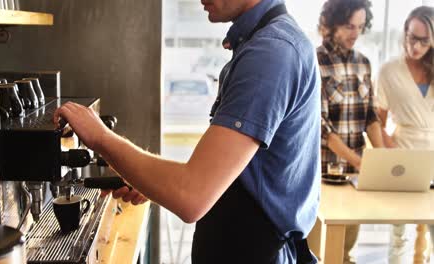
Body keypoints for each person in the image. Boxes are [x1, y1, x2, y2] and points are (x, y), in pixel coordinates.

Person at [54, 0, 321, 263]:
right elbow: (227, 171)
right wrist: (151, 181)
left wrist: (100, 138)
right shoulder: (266, 43)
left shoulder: (271, 53)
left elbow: (191, 196)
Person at [317, 0, 385, 263]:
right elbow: (322, 128)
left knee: (345, 252)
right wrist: (360, 162)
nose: (355, 33)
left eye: (359, 26)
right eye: (348, 26)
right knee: (318, 252)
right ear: (330, 25)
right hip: (325, 175)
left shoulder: (364, 63)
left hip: (356, 177)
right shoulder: (315, 61)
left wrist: (383, 161)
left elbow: (371, 117)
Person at [376, 6, 434, 264]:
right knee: (399, 233)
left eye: (423, 40)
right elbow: (378, 122)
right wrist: (394, 155)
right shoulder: (389, 71)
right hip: (403, 155)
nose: (415, 45)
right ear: (404, 33)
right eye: (411, 37)